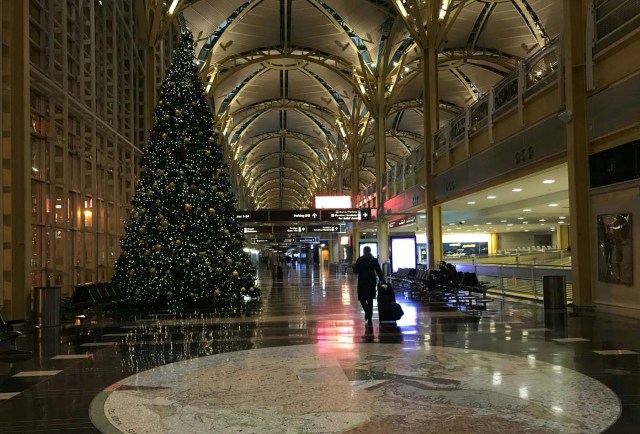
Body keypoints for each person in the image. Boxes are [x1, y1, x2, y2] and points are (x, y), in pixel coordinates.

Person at [353, 246, 385, 325]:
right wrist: (382, 279)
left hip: (362, 281)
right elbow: (378, 270)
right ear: (370, 251)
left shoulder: (360, 259)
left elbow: (355, 270)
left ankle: (366, 311)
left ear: (364, 251)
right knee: (370, 298)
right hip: (371, 281)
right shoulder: (373, 259)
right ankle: (369, 315)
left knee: (362, 298)